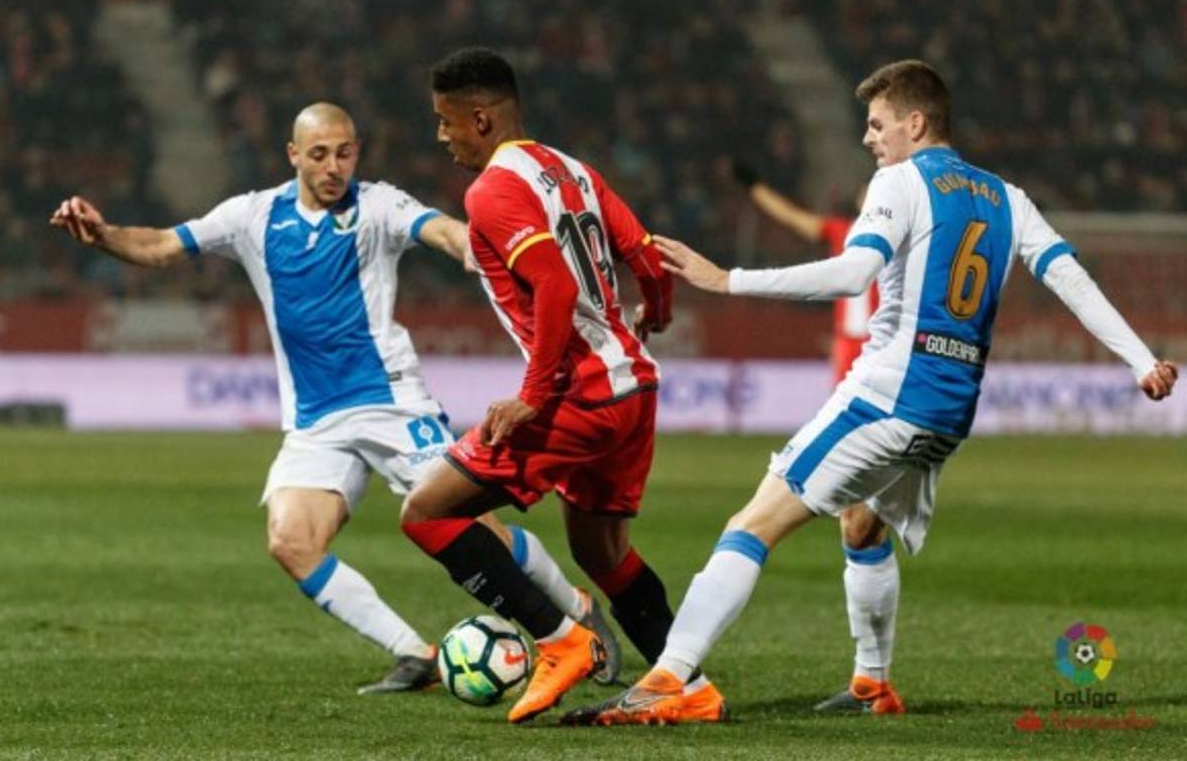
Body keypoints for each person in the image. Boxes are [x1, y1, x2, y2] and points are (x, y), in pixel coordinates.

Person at [564, 59, 1178, 725]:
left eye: (877, 123)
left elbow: (855, 273)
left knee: (750, 525)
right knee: (861, 522)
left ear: (916, 123)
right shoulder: (1008, 196)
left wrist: (727, 279)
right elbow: (1069, 277)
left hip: (889, 393)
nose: (867, 137)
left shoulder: (900, 180)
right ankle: (872, 686)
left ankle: (670, 682)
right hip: (950, 409)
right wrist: (1141, 360)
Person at [49, 102, 620, 695]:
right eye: (319, 154)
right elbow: (165, 245)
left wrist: (495, 254)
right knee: (290, 540)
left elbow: (445, 232)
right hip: (315, 420)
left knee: (469, 523)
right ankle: (415, 653)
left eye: (344, 153)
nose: (333, 167)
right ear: (293, 155)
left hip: (391, 403)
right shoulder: (253, 215)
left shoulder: (378, 205)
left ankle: (576, 608)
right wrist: (105, 235)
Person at [399, 47, 713, 725]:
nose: (441, 135)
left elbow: (554, 284)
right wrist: (654, 314)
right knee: (601, 551)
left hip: (581, 396)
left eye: (445, 121)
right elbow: (646, 256)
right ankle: (687, 686)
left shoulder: (491, 191)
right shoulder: (571, 169)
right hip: (634, 390)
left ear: (480, 118)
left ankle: (559, 640)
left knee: (427, 512)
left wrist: (536, 394)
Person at [731, 161, 903, 714]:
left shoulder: (907, 235)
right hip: (850, 377)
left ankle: (872, 682)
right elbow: (797, 221)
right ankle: (871, 685)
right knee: (856, 519)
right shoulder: (845, 234)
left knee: (851, 515)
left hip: (888, 380)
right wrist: (756, 185)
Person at [730, 159, 875, 386]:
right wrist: (757, 189)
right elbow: (792, 217)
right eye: (865, 195)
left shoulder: (899, 242)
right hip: (847, 342)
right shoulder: (841, 232)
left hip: (881, 343)